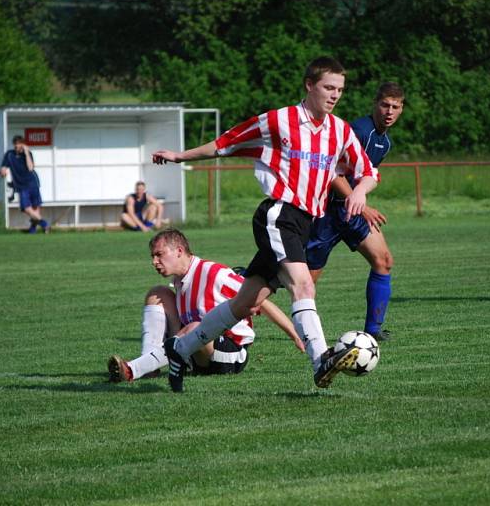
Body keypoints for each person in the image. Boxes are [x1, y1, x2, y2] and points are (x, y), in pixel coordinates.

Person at [152, 57, 379, 392]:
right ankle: (321, 361)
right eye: (328, 87)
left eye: (340, 90)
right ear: (309, 85)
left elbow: (369, 173)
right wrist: (179, 155)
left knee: (246, 302)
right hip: (278, 214)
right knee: (303, 285)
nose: (335, 95)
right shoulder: (279, 121)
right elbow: (225, 144)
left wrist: (359, 190)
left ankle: (180, 350)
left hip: (306, 223)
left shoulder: (339, 131)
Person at [107, 228, 304, 383]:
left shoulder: (214, 273)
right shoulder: (179, 280)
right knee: (157, 293)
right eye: (152, 257)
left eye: (159, 254)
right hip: (196, 349)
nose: (154, 262)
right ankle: (150, 365)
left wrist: (295, 335)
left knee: (196, 327)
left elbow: (263, 301)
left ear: (179, 251)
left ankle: (133, 370)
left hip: (231, 353)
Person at [306, 82, 404, 342]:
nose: (389, 112)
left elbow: (361, 178)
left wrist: (360, 205)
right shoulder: (359, 131)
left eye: (395, 107)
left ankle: (373, 331)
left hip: (351, 214)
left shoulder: (385, 142)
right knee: (301, 281)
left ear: (402, 109)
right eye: (385, 105)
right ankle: (242, 280)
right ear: (375, 104)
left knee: (383, 261)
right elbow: (331, 172)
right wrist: (361, 205)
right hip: (328, 214)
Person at [0, 135, 50, 234]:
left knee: (35, 208)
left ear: (23, 144)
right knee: (26, 208)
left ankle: (32, 230)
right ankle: (44, 224)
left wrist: (26, 153)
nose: (16, 146)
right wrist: (3, 170)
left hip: (33, 183)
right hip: (22, 186)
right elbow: (4, 166)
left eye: (19, 144)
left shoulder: (28, 154)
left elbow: (30, 168)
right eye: (15, 144)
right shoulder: (9, 155)